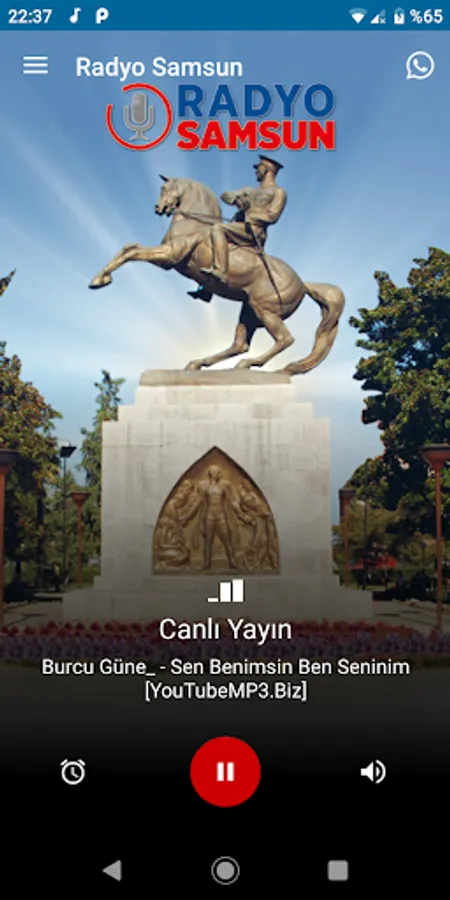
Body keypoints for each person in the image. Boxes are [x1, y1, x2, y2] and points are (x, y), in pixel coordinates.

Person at [188, 156, 286, 301]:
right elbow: (225, 195)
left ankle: (221, 272)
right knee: (211, 243)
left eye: (258, 168)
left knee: (218, 229)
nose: (256, 171)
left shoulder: (278, 192)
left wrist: (252, 217)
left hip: (255, 231)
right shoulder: (250, 191)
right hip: (240, 228)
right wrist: (236, 199)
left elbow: (273, 216)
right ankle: (206, 289)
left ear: (266, 170)